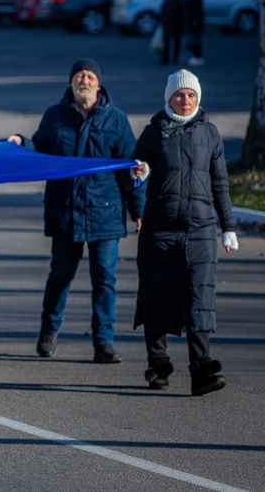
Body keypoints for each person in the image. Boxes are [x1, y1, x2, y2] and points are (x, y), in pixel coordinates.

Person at [10, 59, 143, 363]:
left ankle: (104, 341)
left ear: (99, 84)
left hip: (104, 212)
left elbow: (130, 170)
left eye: (90, 76)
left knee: (105, 280)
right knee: (60, 277)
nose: (84, 80)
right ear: (71, 82)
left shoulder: (116, 121)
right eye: (79, 76)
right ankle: (48, 332)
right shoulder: (54, 116)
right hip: (65, 212)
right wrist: (21, 142)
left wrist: (138, 209)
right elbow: (39, 150)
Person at [132, 70, 238, 396]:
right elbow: (134, 173)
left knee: (199, 297)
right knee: (157, 296)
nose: (185, 100)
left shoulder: (210, 133)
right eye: (179, 94)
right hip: (159, 229)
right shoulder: (153, 133)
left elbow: (220, 183)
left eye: (191, 94)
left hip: (201, 230)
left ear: (198, 98)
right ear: (168, 98)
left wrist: (228, 226)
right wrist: (139, 178)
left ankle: (201, 370)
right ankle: (158, 365)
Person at [159, 0, 184, 66]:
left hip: (177, 24)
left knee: (176, 42)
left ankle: (175, 58)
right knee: (167, 42)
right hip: (168, 24)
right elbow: (163, 10)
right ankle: (166, 58)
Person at [182, 0, 205, 67]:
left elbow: (195, 8)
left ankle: (197, 57)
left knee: (195, 40)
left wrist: (195, 21)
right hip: (194, 20)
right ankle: (196, 56)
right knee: (194, 39)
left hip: (195, 21)